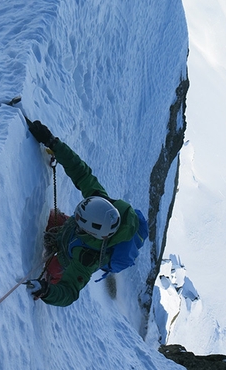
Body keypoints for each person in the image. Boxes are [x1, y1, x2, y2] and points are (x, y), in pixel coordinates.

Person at [25, 120, 147, 307]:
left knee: (53, 268)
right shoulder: (100, 203)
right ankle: (55, 244)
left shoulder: (87, 259)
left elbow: (70, 291)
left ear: (91, 231)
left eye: (80, 223)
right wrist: (53, 143)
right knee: (53, 218)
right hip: (69, 236)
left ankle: (51, 276)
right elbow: (80, 172)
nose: (75, 219)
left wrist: (47, 291)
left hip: (69, 257)